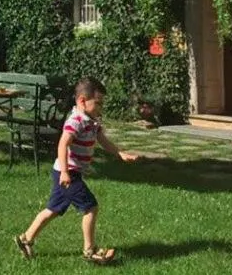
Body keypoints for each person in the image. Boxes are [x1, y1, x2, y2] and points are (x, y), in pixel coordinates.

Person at [14, 77, 139, 264]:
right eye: (97, 103)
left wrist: (119, 153)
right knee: (91, 207)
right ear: (82, 100)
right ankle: (90, 251)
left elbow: (103, 140)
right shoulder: (76, 120)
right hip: (67, 173)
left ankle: (26, 239)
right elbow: (63, 144)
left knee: (53, 209)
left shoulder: (92, 120)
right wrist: (65, 172)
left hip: (68, 172)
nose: (100, 107)